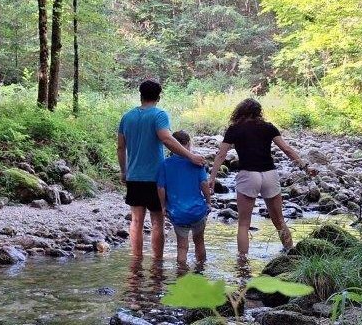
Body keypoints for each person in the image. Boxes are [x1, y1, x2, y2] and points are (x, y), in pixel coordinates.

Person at [208, 98, 315, 257]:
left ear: (240, 111)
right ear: (259, 112)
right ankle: (290, 253)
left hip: (248, 175)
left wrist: (212, 177)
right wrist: (305, 167)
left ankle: (242, 263)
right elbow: (287, 149)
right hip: (269, 175)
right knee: (279, 220)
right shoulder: (268, 127)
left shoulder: (234, 129)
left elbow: (221, 154)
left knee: (243, 224)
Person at [117, 80, 206, 260]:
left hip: (134, 176)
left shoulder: (127, 117)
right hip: (155, 177)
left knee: (136, 221)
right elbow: (166, 139)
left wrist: (124, 171)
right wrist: (190, 156)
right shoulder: (159, 115)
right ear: (158, 97)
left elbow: (120, 147)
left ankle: (136, 261)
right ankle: (157, 263)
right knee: (157, 222)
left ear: (140, 95)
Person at [156, 130, 211, 265]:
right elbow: (204, 184)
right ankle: (201, 270)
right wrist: (208, 202)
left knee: (182, 247)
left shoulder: (165, 164)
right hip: (197, 211)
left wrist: (163, 206)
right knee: (199, 243)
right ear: (188, 144)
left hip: (178, 213)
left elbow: (161, 188)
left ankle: (181, 274)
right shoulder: (197, 163)